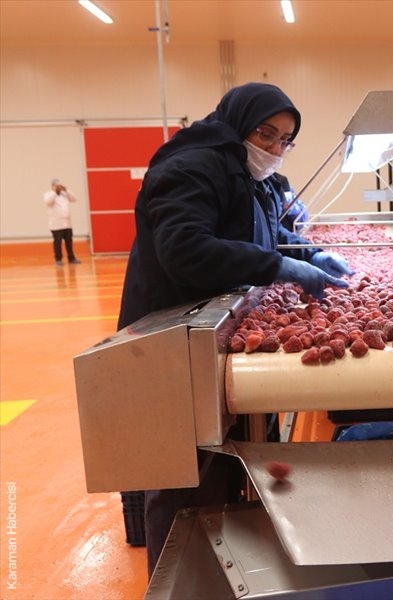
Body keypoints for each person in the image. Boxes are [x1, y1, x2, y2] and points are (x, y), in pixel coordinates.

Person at [116, 82, 353, 577]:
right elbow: (184, 248)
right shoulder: (191, 166)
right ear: (238, 122)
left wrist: (308, 254)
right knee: (185, 478)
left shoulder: (244, 173)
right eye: (266, 134)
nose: (274, 148)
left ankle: (234, 570)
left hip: (217, 333)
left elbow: (262, 231)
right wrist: (279, 267)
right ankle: (181, 579)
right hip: (174, 338)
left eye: (284, 140)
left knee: (226, 466)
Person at [43, 178, 81, 265]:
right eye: (57, 186)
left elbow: (74, 199)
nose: (59, 187)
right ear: (52, 186)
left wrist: (66, 190)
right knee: (58, 242)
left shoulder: (64, 194)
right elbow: (48, 202)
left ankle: (71, 258)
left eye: (60, 185)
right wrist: (54, 192)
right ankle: (58, 259)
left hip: (67, 224)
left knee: (69, 242)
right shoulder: (48, 194)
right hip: (56, 225)